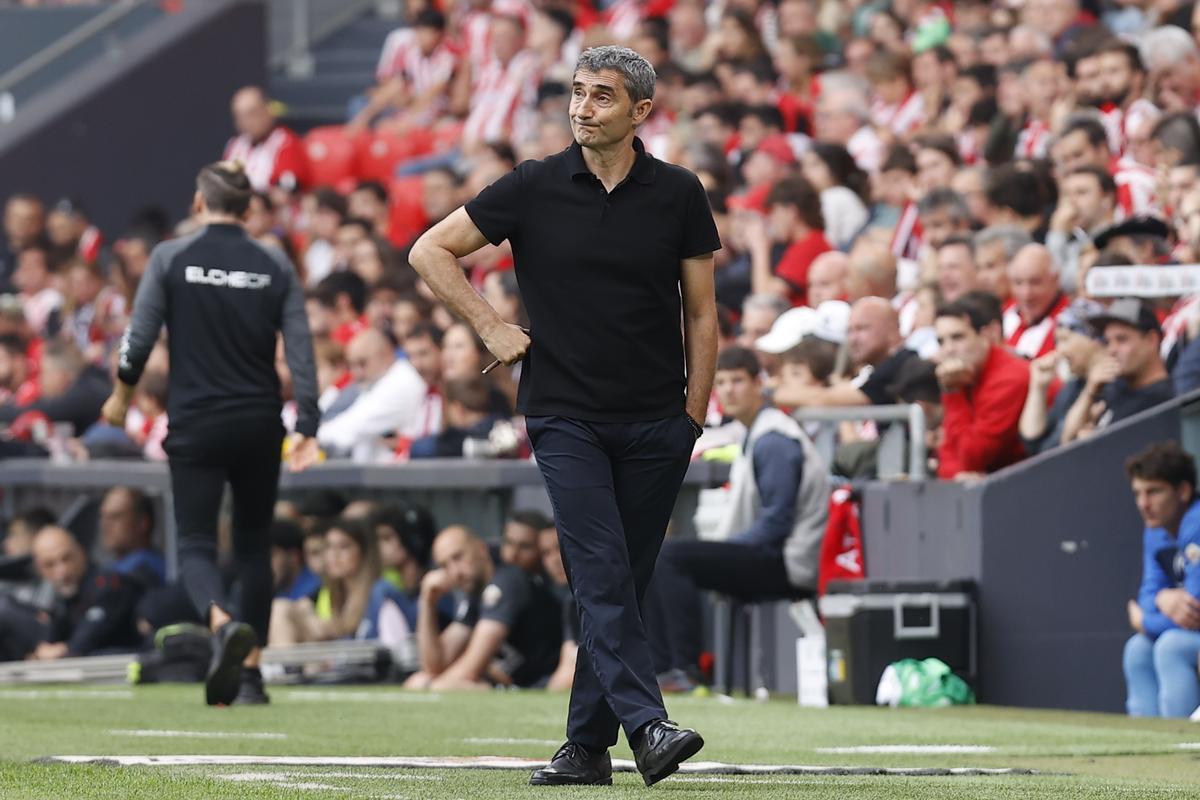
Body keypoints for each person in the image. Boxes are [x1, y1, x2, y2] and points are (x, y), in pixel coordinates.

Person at [408, 46, 716, 786]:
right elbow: (430, 251)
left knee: (620, 583)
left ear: (641, 111)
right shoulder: (533, 185)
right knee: (603, 572)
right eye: (577, 93)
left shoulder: (678, 191)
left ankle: (584, 748)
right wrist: (489, 327)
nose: (581, 108)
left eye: (601, 97)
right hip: (563, 414)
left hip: (656, 423)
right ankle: (647, 726)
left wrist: (692, 419)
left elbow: (702, 317)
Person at [101, 161, 321, 707]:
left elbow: (138, 341)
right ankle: (251, 677)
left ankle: (223, 625)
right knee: (252, 545)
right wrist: (309, 427)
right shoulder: (274, 263)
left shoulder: (171, 257)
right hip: (257, 422)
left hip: (196, 421)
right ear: (249, 210)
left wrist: (121, 398)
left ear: (198, 204)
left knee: (197, 543)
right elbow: (301, 353)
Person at [645, 347, 828, 688]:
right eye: (722, 382)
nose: (729, 390)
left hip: (788, 562)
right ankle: (663, 670)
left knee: (669, 556)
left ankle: (685, 669)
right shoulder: (755, 431)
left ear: (759, 383)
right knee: (655, 555)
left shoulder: (775, 438)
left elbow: (776, 524)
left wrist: (726, 549)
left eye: (738, 381)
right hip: (771, 553)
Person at [405, 525, 563, 691]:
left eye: (458, 557)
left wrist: (429, 685)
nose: (455, 572)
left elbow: (468, 671)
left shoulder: (507, 582)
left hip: (545, 688)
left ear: (481, 549)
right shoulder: (474, 595)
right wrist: (427, 603)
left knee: (445, 683)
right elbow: (434, 665)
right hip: (515, 688)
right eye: (444, 565)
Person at [1122, 442, 1200, 718]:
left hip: (1189, 635)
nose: (1144, 504)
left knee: (1171, 646)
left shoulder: (1197, 522)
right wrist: (1160, 598)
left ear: (1183, 491)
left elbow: (1194, 612)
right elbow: (1148, 592)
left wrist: (1144, 621)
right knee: (1137, 649)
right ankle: (1145, 745)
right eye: (1138, 493)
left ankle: (1184, 744)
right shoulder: (1155, 530)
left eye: (1154, 491)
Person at [0, 526, 142, 662]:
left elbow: (79, 645)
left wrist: (61, 650)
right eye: (50, 564)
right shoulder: (62, 599)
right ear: (40, 570)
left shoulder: (108, 584)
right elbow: (50, 643)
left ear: (81, 551)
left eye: (66, 558)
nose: (62, 571)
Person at [934, 293, 1031, 479]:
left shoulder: (1009, 377)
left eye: (958, 337)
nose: (948, 350)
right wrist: (956, 474)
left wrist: (952, 393)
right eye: (941, 341)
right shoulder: (964, 375)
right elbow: (948, 452)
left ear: (986, 335)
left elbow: (974, 456)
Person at [1062, 299, 1175, 444]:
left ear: (1151, 340)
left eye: (1121, 340)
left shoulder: (1163, 401)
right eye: (1108, 341)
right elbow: (1066, 440)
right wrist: (1090, 392)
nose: (1111, 350)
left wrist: (1095, 446)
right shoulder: (1116, 388)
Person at [316, 327, 429, 461]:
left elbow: (351, 428)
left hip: (402, 474)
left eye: (362, 363)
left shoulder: (401, 381)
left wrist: (308, 436)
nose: (356, 373)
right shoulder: (378, 381)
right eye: (352, 365)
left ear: (385, 354)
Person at [1019, 299, 1105, 455]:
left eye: (1065, 340)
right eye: (1057, 341)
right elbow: (1032, 443)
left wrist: (1090, 393)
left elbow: (1064, 447)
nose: (1059, 350)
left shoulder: (1111, 385)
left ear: (1094, 340)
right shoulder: (1074, 385)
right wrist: (1038, 387)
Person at [96, 486, 164, 586]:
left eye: (115, 517)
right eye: (104, 516)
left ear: (143, 522)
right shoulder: (115, 566)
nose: (105, 525)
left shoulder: (144, 570)